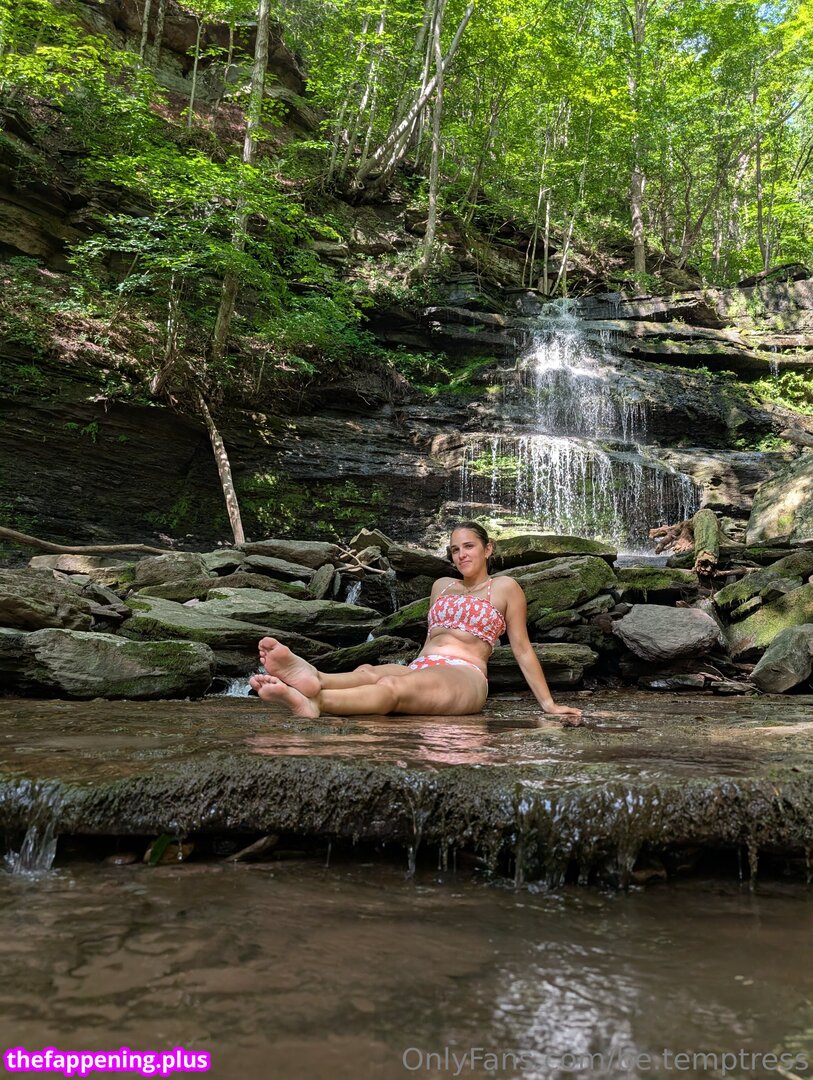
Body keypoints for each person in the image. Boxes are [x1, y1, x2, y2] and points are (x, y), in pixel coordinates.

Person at [249, 522, 583, 725]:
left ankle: (317, 703)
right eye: (455, 549)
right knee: (369, 671)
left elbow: (522, 650)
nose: (461, 555)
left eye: (469, 546)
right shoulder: (441, 586)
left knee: (392, 688)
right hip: (421, 665)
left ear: (488, 549)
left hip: (464, 675)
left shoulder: (506, 588)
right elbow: (430, 642)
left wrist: (549, 704)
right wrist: (409, 668)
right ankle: (315, 678)